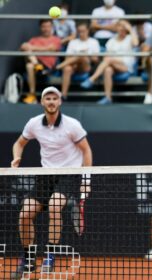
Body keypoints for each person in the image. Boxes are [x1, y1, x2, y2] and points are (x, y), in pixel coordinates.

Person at [10, 86, 93, 279]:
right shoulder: (33, 124)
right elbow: (19, 143)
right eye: (47, 98)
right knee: (25, 214)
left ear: (60, 102)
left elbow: (86, 151)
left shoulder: (72, 125)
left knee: (55, 206)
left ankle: (50, 256)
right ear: (42, 102)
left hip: (68, 174)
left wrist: (86, 180)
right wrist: (16, 157)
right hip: (45, 175)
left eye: (55, 98)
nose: (51, 102)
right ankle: (29, 260)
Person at [80, 20, 139, 104]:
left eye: (124, 26)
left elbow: (136, 43)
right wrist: (108, 60)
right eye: (120, 26)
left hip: (126, 66)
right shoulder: (112, 40)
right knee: (108, 69)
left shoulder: (130, 38)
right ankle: (108, 97)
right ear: (116, 28)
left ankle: (92, 79)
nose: (121, 28)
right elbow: (106, 56)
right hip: (112, 64)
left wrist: (130, 29)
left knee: (109, 60)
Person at [20, 19, 62, 104]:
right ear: (40, 28)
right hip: (36, 65)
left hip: (48, 68)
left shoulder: (56, 39)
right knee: (29, 65)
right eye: (44, 26)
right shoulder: (34, 39)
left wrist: (33, 48)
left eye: (48, 26)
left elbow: (53, 48)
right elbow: (23, 47)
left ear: (52, 27)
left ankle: (37, 66)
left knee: (29, 59)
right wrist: (46, 49)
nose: (46, 29)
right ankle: (32, 95)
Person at [56, 21, 101, 99]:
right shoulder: (73, 42)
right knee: (67, 68)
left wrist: (86, 55)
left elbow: (96, 60)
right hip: (74, 67)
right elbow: (68, 58)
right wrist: (76, 59)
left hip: (87, 67)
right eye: (79, 31)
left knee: (82, 56)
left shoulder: (94, 42)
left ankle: (58, 67)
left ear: (88, 31)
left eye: (83, 31)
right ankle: (63, 95)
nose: (81, 33)